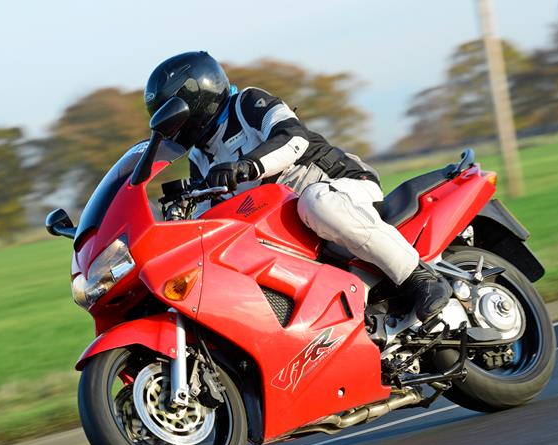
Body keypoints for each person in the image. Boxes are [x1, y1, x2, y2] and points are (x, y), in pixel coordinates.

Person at [144, 51, 452, 322]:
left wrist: (247, 165)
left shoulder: (246, 104)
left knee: (316, 202)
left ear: (196, 99)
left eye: (172, 116)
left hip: (340, 187)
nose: (172, 127)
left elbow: (293, 137)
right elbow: (206, 221)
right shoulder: (200, 156)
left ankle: (420, 278)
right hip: (285, 228)